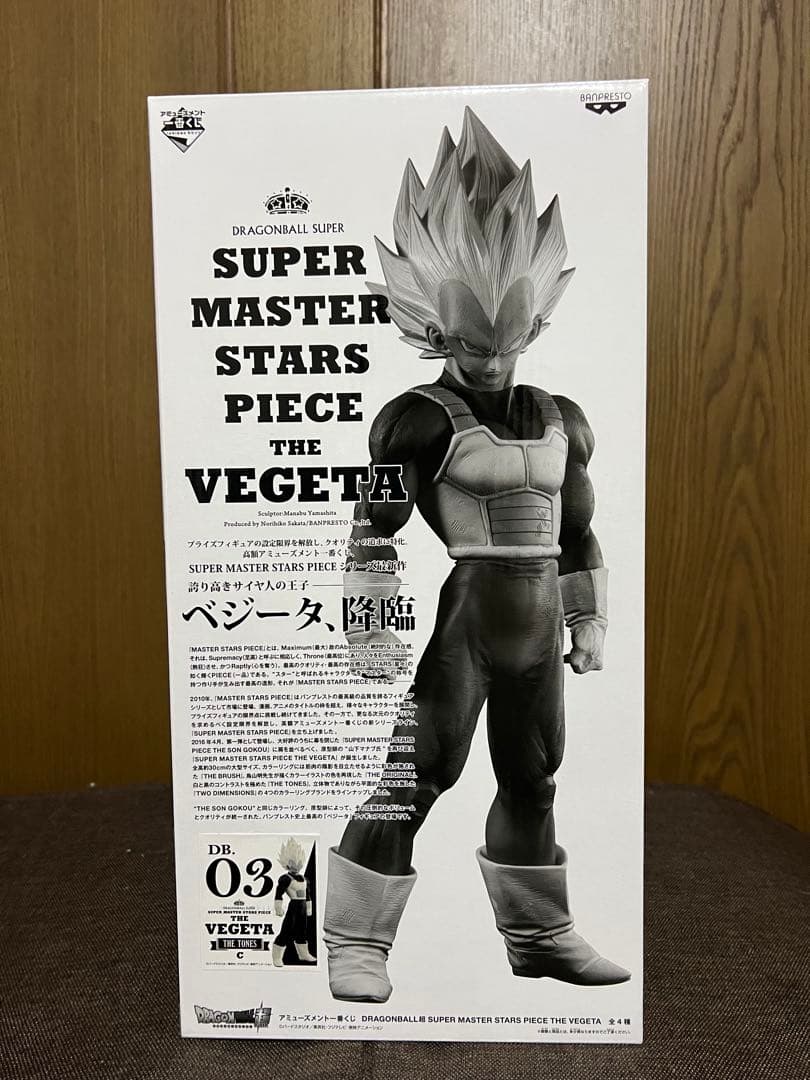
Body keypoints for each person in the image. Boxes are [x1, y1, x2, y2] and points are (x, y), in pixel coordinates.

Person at [323, 109, 630, 1002]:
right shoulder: (415, 419)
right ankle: (354, 939)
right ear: (434, 329)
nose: (492, 362)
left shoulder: (565, 418)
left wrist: (590, 619)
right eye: (471, 344)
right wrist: (369, 629)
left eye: (506, 343)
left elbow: (577, 531)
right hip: (470, 621)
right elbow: (373, 529)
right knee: (416, 775)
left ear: (533, 325)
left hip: (537, 623)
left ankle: (539, 936)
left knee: (534, 780)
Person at [272, 838, 316, 966]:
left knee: (302, 932)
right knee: (286, 931)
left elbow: (308, 895)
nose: (296, 865)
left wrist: (309, 909)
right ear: (286, 862)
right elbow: (278, 894)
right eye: (293, 862)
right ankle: (277, 957)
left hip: (302, 908)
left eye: (299, 862)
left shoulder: (304, 879)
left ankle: (303, 954)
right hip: (294, 907)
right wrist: (278, 908)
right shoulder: (285, 878)